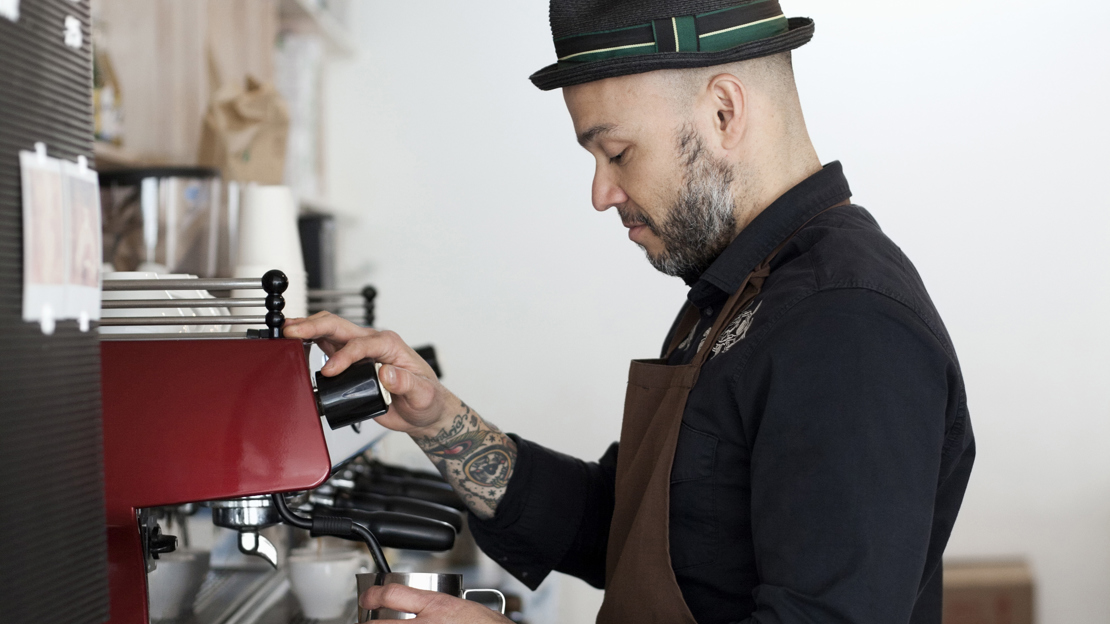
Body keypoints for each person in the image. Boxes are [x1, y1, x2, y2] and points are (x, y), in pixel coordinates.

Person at [285, 0, 976, 622]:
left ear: (725, 112)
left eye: (617, 152)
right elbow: (626, 526)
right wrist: (438, 421)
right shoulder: (737, 294)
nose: (601, 192)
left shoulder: (844, 325)